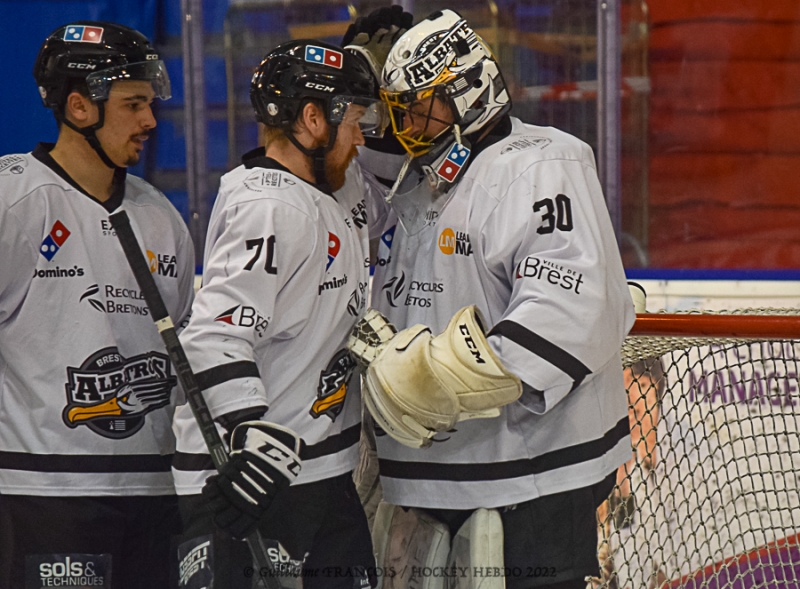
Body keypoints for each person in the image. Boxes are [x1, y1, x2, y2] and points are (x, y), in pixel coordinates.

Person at [352, 9, 637, 588]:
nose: (405, 121)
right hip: (441, 472)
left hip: (532, 477)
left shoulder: (542, 162)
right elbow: (354, 179)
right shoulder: (425, 173)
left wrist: (425, 381)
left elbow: (571, 306)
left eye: (419, 104)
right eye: (398, 107)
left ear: (468, 91)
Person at [171, 40, 387, 588]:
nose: (362, 136)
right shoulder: (267, 208)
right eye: (354, 120)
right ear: (313, 118)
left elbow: (402, 204)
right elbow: (215, 336)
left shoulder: (336, 184)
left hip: (320, 472)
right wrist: (249, 434)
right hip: (250, 482)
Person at [0, 21, 193, 589]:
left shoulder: (161, 216)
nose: (150, 121)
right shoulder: (14, 201)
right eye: (134, 104)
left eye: (151, 103)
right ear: (80, 107)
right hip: (41, 496)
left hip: (156, 494)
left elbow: (183, 353)